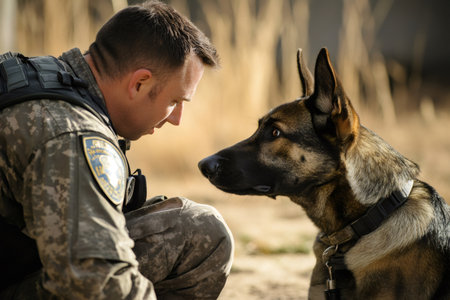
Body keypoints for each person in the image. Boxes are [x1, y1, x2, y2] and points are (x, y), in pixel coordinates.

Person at [0, 1, 234, 299]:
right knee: (202, 233)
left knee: (190, 226)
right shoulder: (73, 136)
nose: (176, 120)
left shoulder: (39, 81)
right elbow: (96, 282)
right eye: (175, 101)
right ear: (139, 83)